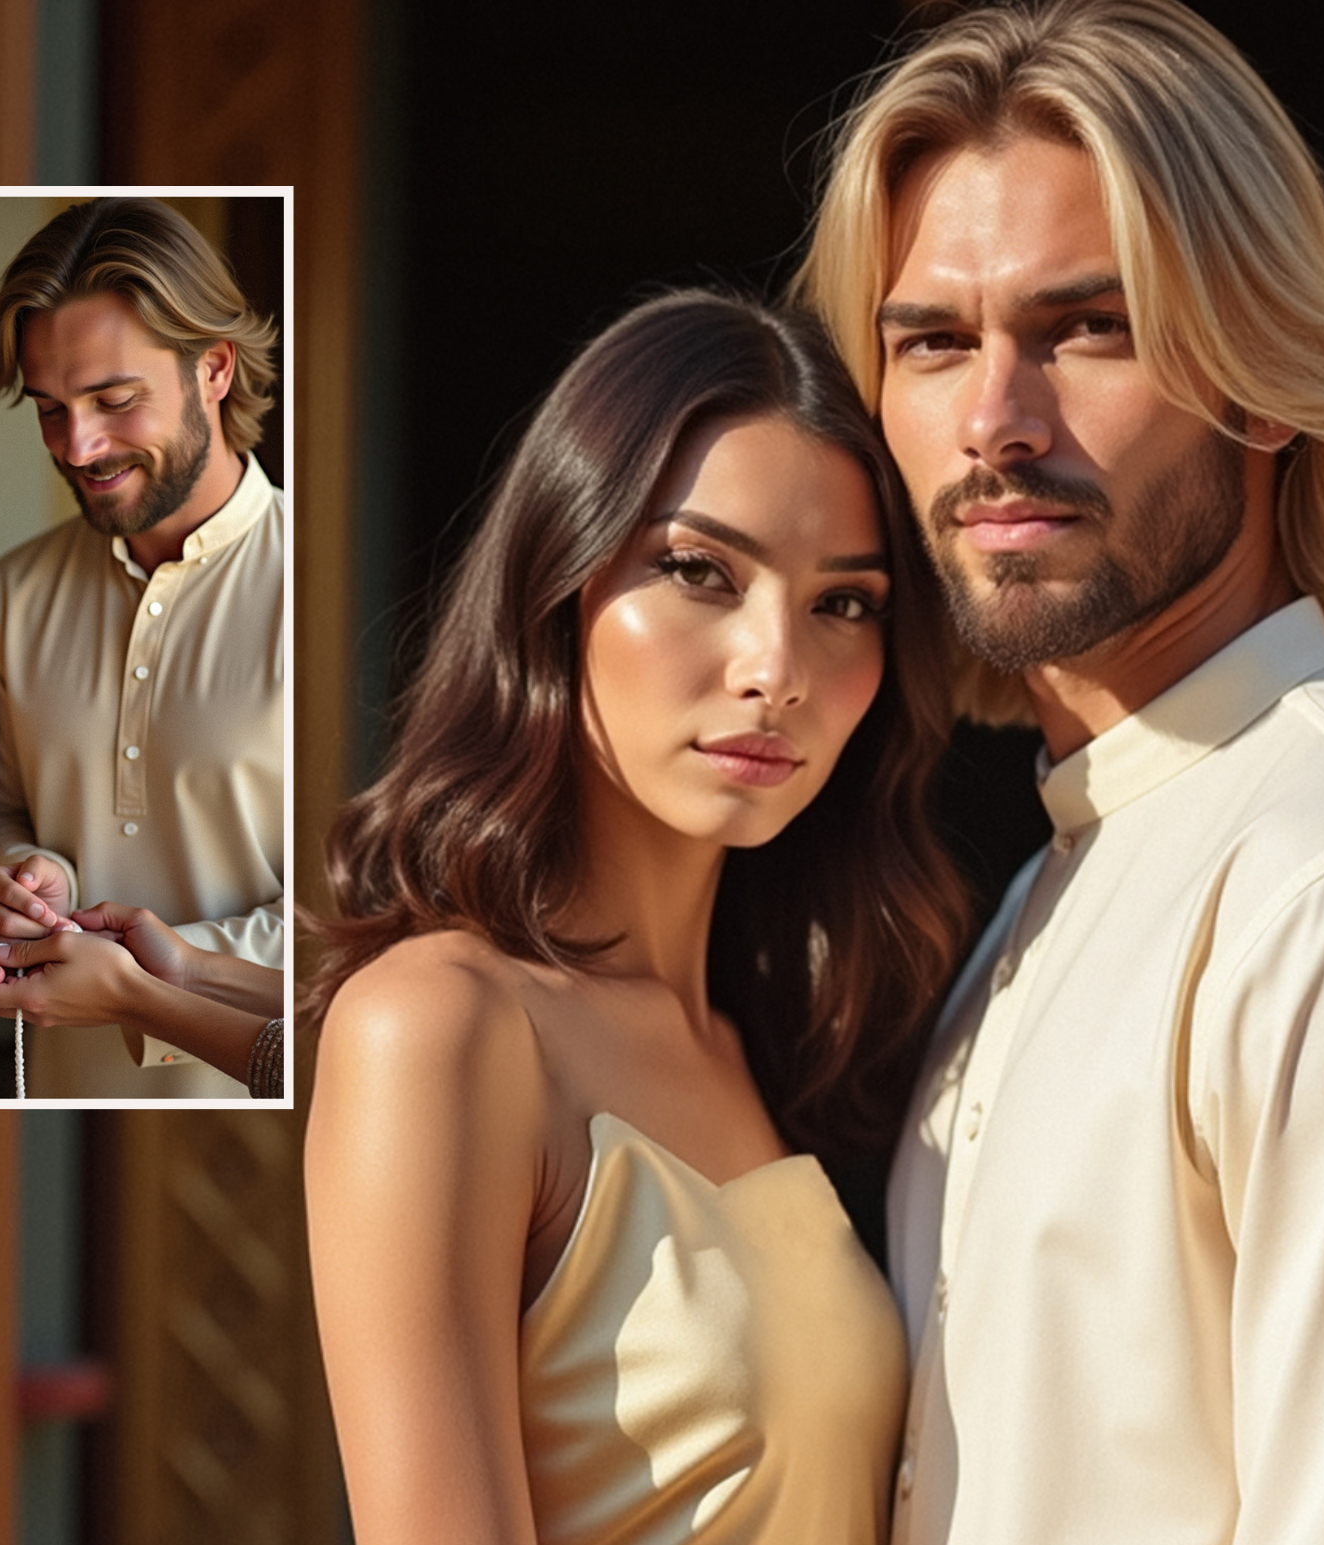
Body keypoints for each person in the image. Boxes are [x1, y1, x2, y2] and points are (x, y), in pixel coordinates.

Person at [791, 2, 1324, 1540]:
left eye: (1090, 328)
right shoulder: (1063, 880)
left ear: (1265, 376)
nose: (994, 422)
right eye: (934, 342)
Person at [304, 290, 970, 1544]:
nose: (776, 669)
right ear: (557, 579)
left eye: (842, 603)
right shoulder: (440, 1028)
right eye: (698, 572)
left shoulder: (770, 1040)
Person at [0, 196, 285, 1097]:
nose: (79, 446)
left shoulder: (333, 586)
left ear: (213, 369)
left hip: (275, 1113)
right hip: (52, 1110)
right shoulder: (15, 592)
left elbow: (373, 921)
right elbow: (2, 809)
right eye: (50, 409)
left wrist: (150, 969)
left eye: (114, 400)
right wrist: (27, 876)